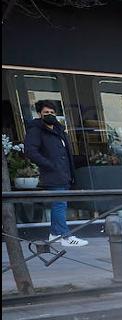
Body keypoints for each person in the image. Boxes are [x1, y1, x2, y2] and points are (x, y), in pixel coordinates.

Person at [23, 100, 87, 247]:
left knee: (60, 204)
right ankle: (65, 237)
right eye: (46, 112)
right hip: (52, 174)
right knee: (59, 204)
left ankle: (54, 234)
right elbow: (30, 151)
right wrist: (49, 165)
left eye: (52, 112)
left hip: (64, 174)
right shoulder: (36, 130)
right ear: (39, 114)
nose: (50, 115)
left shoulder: (59, 129)